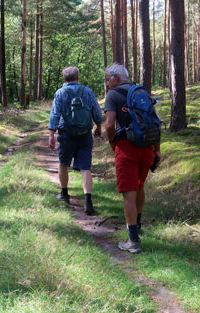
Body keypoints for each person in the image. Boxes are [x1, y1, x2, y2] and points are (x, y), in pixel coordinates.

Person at [104, 63, 161, 253]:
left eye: (108, 79)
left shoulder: (113, 95)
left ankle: (133, 241)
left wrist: (112, 141)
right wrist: (156, 150)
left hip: (126, 147)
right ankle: (138, 226)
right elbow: (154, 122)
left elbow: (110, 123)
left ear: (116, 78)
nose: (107, 83)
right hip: (146, 147)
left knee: (129, 193)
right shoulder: (141, 91)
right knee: (139, 187)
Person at [48, 66, 102, 215]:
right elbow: (96, 111)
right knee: (86, 167)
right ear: (77, 77)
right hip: (85, 134)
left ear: (64, 79)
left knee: (63, 163)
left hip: (66, 134)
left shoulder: (60, 93)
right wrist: (99, 127)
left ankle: (64, 195)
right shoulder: (87, 91)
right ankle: (87, 201)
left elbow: (55, 114)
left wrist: (51, 134)